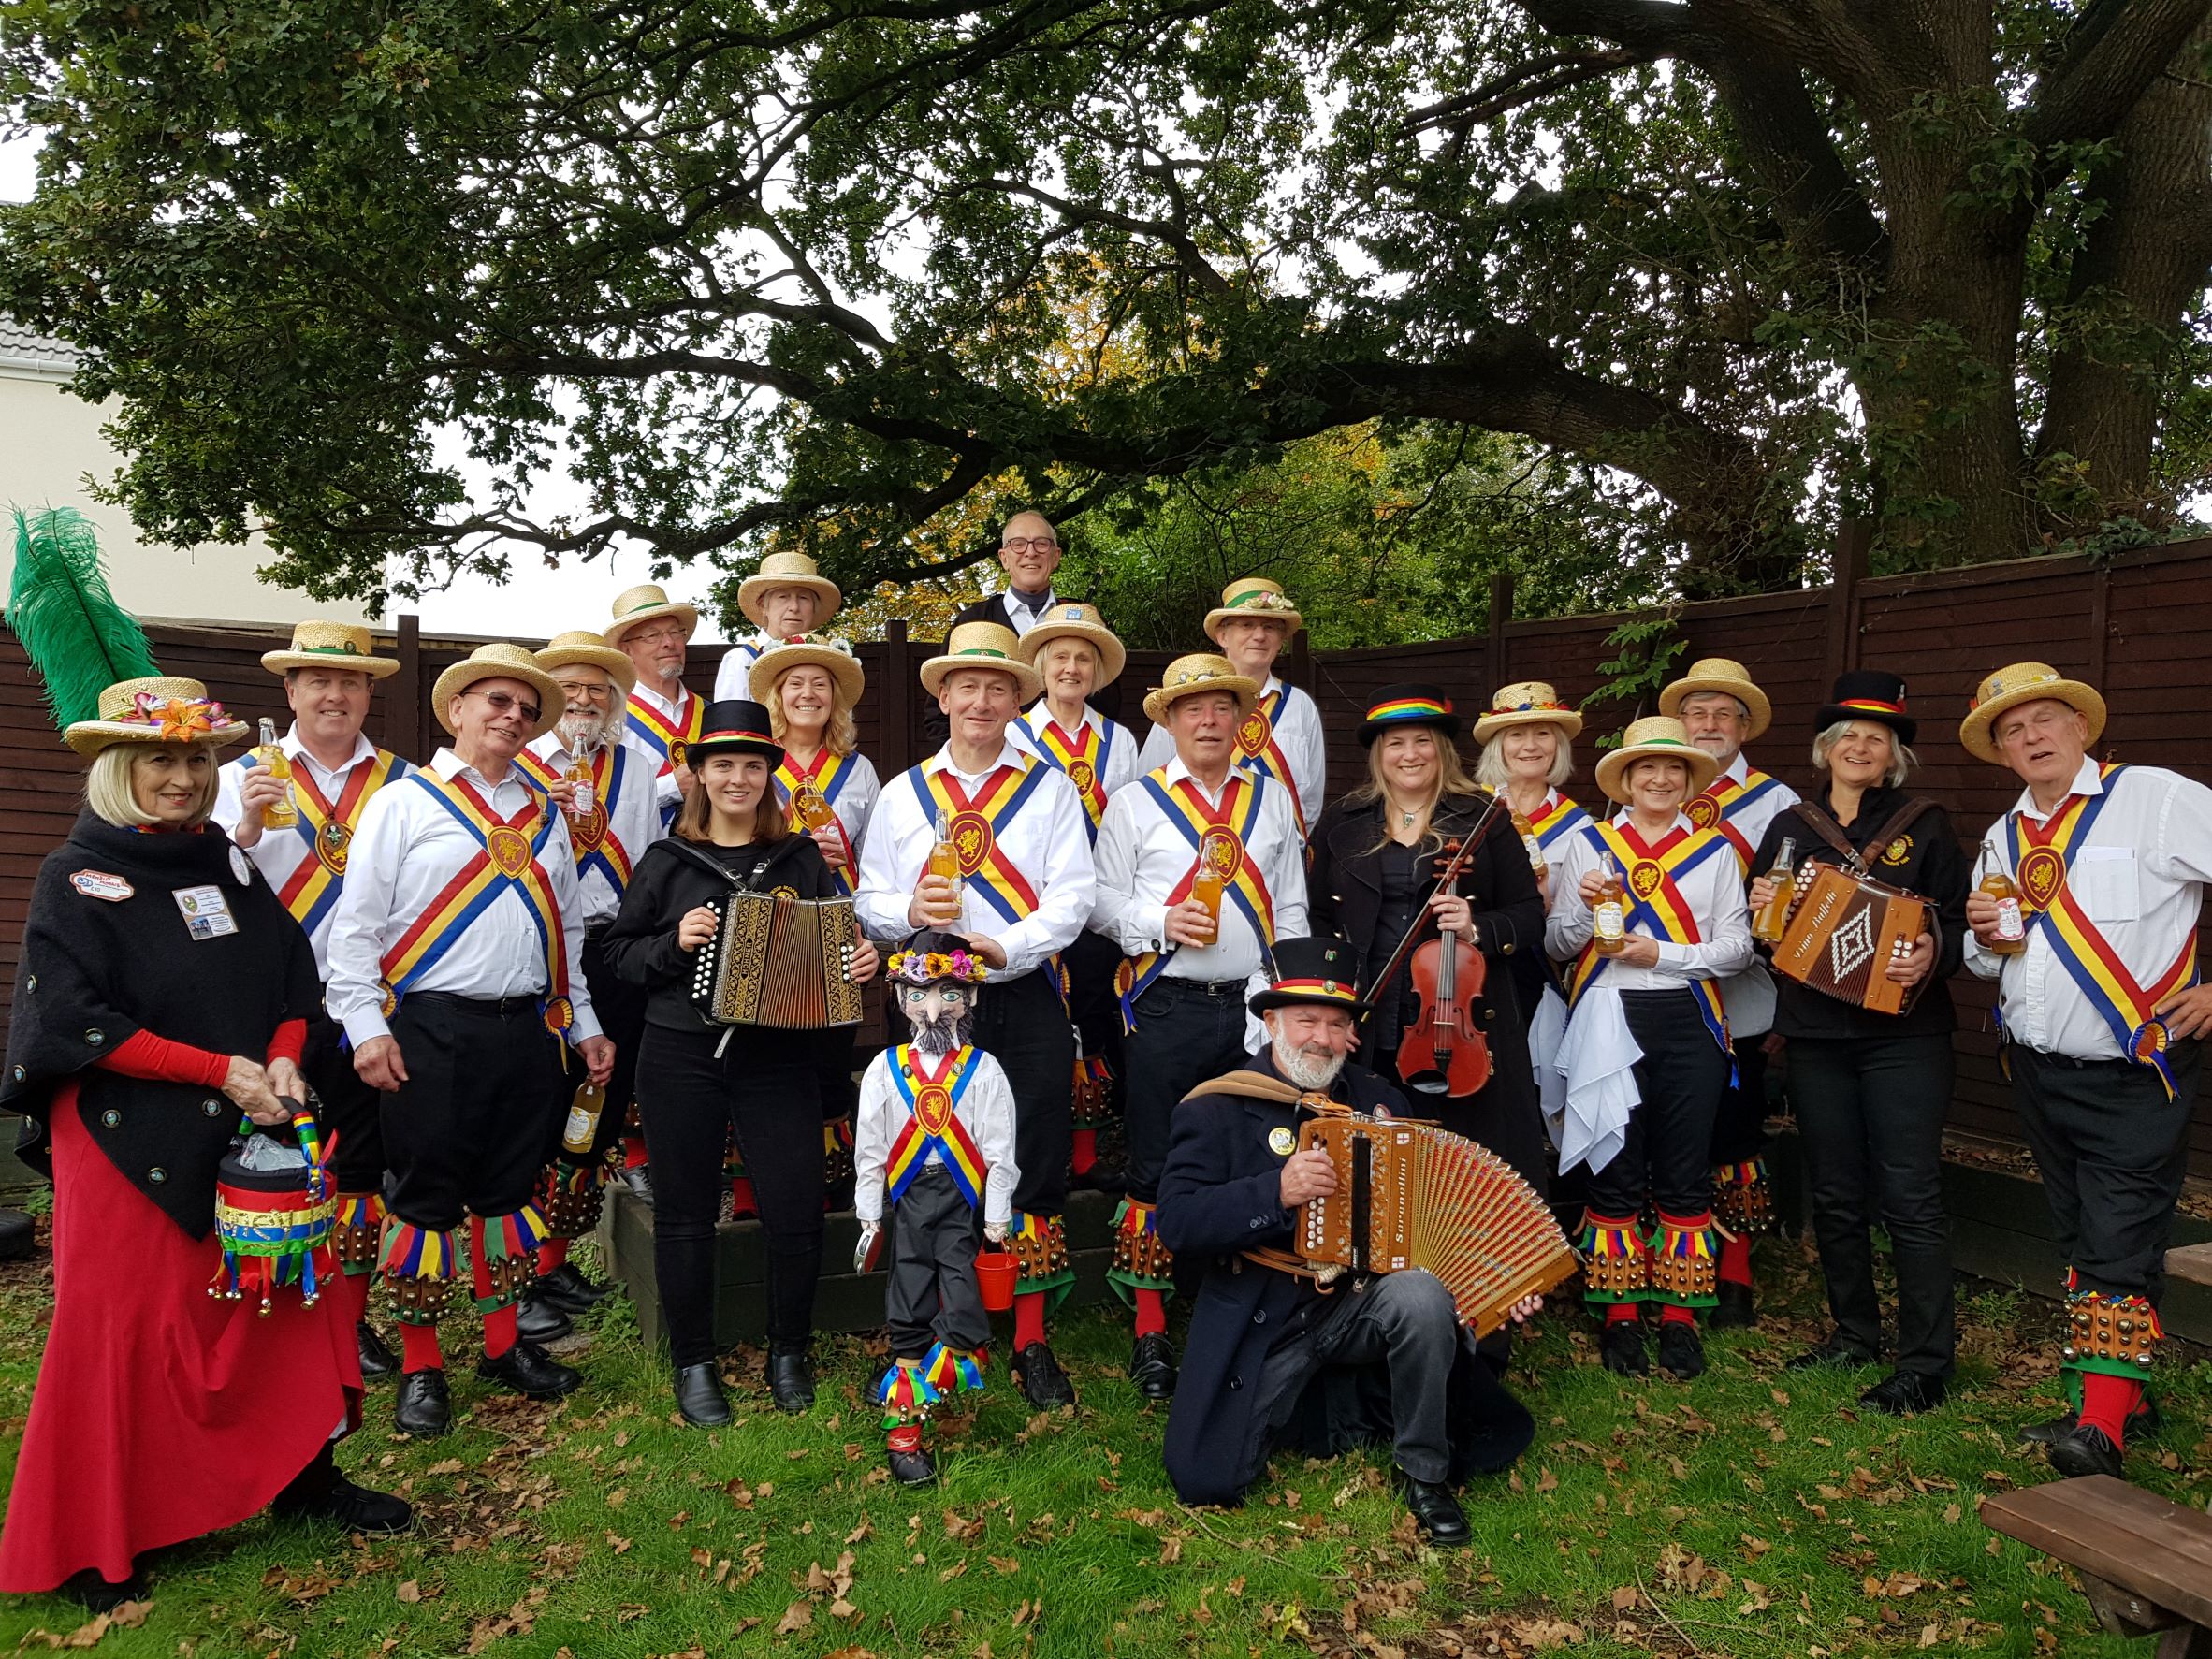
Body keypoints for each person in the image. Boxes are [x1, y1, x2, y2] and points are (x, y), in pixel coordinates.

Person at [0, 672, 407, 1608]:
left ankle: (303, 1483)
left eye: (193, 759)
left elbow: (289, 982)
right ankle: (98, 1543)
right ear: (116, 769)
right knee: (125, 1340)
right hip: (120, 1142)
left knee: (283, 1309)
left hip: (253, 1118)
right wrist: (217, 1071)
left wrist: (286, 1056)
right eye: (159, 761)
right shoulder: (74, 879)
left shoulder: (225, 861)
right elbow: (74, 1023)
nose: (181, 778)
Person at [1156, 938, 1541, 1543]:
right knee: (1204, 1475)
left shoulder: (1379, 1100)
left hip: (1360, 1302)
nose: (1322, 1038)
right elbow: (1176, 1223)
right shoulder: (1218, 1104)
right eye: (1307, 1019)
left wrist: (1495, 1287)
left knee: (1419, 1296)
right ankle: (1321, 1411)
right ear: (1272, 1020)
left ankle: (1424, 1471)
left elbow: (1432, 1219)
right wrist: (1274, 1192)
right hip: (1270, 1309)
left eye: (1337, 1025)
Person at [326, 644, 616, 1438]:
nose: (511, 717)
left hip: (528, 1028)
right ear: (455, 711)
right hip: (430, 1026)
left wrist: (583, 1025)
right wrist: (365, 1028)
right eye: (495, 702)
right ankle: (421, 1365)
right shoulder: (402, 802)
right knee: (423, 1198)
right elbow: (354, 931)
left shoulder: (550, 814)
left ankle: (499, 1344)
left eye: (525, 709)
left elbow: (568, 935)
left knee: (507, 1193)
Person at [1958, 662, 2212, 1479]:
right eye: (2012, 730)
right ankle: (2113, 1397)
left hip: (2136, 1073)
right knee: (2082, 1233)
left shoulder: (2157, 797)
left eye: (2043, 720)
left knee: (2115, 1238)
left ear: (2080, 726)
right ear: (2000, 751)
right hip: (2037, 1071)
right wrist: (1980, 938)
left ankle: (2098, 1429)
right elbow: (1982, 957)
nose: (2030, 738)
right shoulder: (2002, 838)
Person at [601, 700, 880, 1425]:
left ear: (768, 775)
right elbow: (618, 957)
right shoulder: (666, 862)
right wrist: (674, 942)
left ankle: (791, 1349)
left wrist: (861, 960)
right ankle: (694, 1360)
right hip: (680, 1051)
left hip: (776, 1054)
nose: (738, 777)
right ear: (697, 773)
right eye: (722, 763)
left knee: (796, 1209)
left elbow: (836, 948)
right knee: (686, 1211)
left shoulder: (801, 859)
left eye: (752, 764)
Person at [854, 621, 1097, 1408]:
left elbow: (1075, 895)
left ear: (1017, 698)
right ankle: (919, 1339)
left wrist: (1007, 946)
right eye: (968, 686)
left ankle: (1029, 1339)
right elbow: (868, 896)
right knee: (925, 1155)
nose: (983, 699)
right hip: (931, 998)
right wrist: (905, 908)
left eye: (998, 687)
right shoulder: (902, 793)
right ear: (944, 696)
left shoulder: (1052, 789)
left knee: (1029, 1153)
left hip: (1020, 991)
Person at [1744, 672, 1966, 1414]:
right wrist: (1762, 912)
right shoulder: (1789, 827)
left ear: (1893, 752)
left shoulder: (1925, 822)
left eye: (1877, 736)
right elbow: (1762, 933)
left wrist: (1931, 945)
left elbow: (1961, 922)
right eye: (1848, 735)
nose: (1860, 746)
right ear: (1826, 748)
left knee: (1909, 1193)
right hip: (1813, 1032)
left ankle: (1926, 1362)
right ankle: (1853, 1334)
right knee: (1835, 1192)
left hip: (1905, 1036)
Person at [1308, 685, 1548, 1371]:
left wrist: (1480, 926)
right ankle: (1392, 1321)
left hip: (1463, 1023)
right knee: (1388, 1174)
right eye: (1394, 743)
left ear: (1441, 750)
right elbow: (1322, 926)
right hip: (1376, 1020)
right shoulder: (1343, 823)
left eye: (1421, 741)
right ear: (1378, 756)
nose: (1408, 754)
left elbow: (1529, 916)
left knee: (1468, 1169)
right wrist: (1337, 1009)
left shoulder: (1482, 817)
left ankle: (1483, 1320)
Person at [1091, 652, 1309, 1399]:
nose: (1208, 721)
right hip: (1166, 1002)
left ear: (1242, 718)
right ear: (1170, 722)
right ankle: (1151, 1327)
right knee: (1154, 1162)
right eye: (1193, 710)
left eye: (1221, 707)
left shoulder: (1272, 800)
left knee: (1257, 1157)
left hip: (1254, 1008)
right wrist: (1157, 919)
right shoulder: (1134, 803)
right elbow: (1100, 902)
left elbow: (1293, 905)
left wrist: (1289, 994)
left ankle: (1247, 1307)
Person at [212, 620, 413, 1383]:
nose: (335, 694)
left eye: (351, 681)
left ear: (369, 694)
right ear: (289, 691)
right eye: (317, 680)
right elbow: (204, 887)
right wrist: (248, 827)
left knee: (359, 1171)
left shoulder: (405, 780)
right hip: (268, 1006)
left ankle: (346, 1320)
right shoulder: (240, 776)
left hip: (367, 1005)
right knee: (259, 1159)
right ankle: (259, 1307)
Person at [1547, 717, 1752, 1381]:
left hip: (1689, 1018)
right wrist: (1581, 911)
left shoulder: (1716, 851)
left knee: (1683, 1166)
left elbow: (1738, 948)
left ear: (1690, 780)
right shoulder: (1591, 844)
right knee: (1617, 1161)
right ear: (1626, 781)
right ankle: (1620, 1314)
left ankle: (1683, 1315)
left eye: (1673, 770)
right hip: (1608, 1014)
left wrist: (1660, 952)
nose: (1660, 780)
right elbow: (1558, 943)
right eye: (1646, 770)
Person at [512, 631, 667, 1340]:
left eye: (597, 689)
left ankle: (553, 1259)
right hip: (545, 952)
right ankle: (516, 1272)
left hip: (617, 946)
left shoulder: (637, 765)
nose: (582, 700)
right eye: (570, 687)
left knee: (599, 1103)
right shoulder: (520, 762)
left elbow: (646, 851)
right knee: (540, 1105)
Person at [1657, 657, 1801, 1327]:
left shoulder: (1776, 802)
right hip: (1656, 993)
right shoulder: (1651, 786)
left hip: (1741, 996)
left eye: (1723, 715)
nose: (1708, 725)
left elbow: (1796, 910)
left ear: (1744, 727)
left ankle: (1736, 1272)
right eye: (1697, 713)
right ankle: (1666, 1258)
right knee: (1663, 1127)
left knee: (1734, 1134)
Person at [851, 934, 1017, 1485]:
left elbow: (999, 1152)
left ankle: (917, 1385)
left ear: (969, 1000)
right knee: (908, 1299)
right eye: (921, 993)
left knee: (966, 1315)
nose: (934, 1007)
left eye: (949, 993)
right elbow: (870, 1149)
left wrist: (997, 1216)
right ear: (900, 998)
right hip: (909, 1202)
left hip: (960, 1204)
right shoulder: (884, 1069)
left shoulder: (985, 1069)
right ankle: (905, 1432)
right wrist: (869, 1214)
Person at [1011, 602, 1141, 1192]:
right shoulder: (1013, 732)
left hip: (1099, 908)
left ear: (1097, 671)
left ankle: (1087, 1156)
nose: (1070, 668)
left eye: (1083, 658)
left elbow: (1134, 824)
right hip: (1029, 906)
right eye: (1059, 656)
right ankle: (1032, 1149)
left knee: (1092, 1018)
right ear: (1039, 666)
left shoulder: (1120, 741)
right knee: (1039, 1028)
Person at [752, 633, 880, 1207]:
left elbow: (877, 854)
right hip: (766, 922)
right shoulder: (755, 760)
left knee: (830, 1058)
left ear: (837, 698)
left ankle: (828, 1188)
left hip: (833, 924)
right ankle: (758, 1186)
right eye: (796, 683)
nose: (809, 694)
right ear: (778, 695)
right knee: (765, 1053)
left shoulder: (858, 770)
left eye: (821, 685)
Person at [605, 582, 706, 1201]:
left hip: (709, 866)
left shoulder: (708, 709)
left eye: (675, 632)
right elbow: (623, 799)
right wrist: (674, 782)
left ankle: (702, 1148)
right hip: (644, 874)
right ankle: (637, 1149)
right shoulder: (615, 718)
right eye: (652, 635)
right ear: (629, 647)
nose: (669, 642)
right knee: (644, 1008)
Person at [1139, 577, 1325, 837]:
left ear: (1281, 639)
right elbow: (1149, 781)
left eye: (1270, 627)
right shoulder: (1185, 700)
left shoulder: (1300, 706)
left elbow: (1311, 799)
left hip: (1275, 860)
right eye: (1247, 625)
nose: (1259, 636)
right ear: (1222, 636)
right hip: (1193, 858)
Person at [1473, 680, 1593, 901]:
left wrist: (1549, 906)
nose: (1530, 745)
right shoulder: (1470, 806)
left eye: (1542, 733)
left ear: (1558, 745)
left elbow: (1572, 913)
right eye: (1516, 735)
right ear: (1498, 746)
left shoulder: (1578, 826)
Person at [712, 549, 842, 700]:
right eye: (783, 597)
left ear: (814, 608)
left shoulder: (829, 662)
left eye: (803, 597)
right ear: (763, 606)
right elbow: (731, 722)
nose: (794, 607)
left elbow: (841, 720)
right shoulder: (741, 660)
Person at [953, 510, 1070, 637]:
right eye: (1018, 544)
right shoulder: (971, 622)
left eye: (1041, 543)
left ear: (1056, 557)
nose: (1031, 553)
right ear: (1004, 558)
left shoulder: (1079, 620)